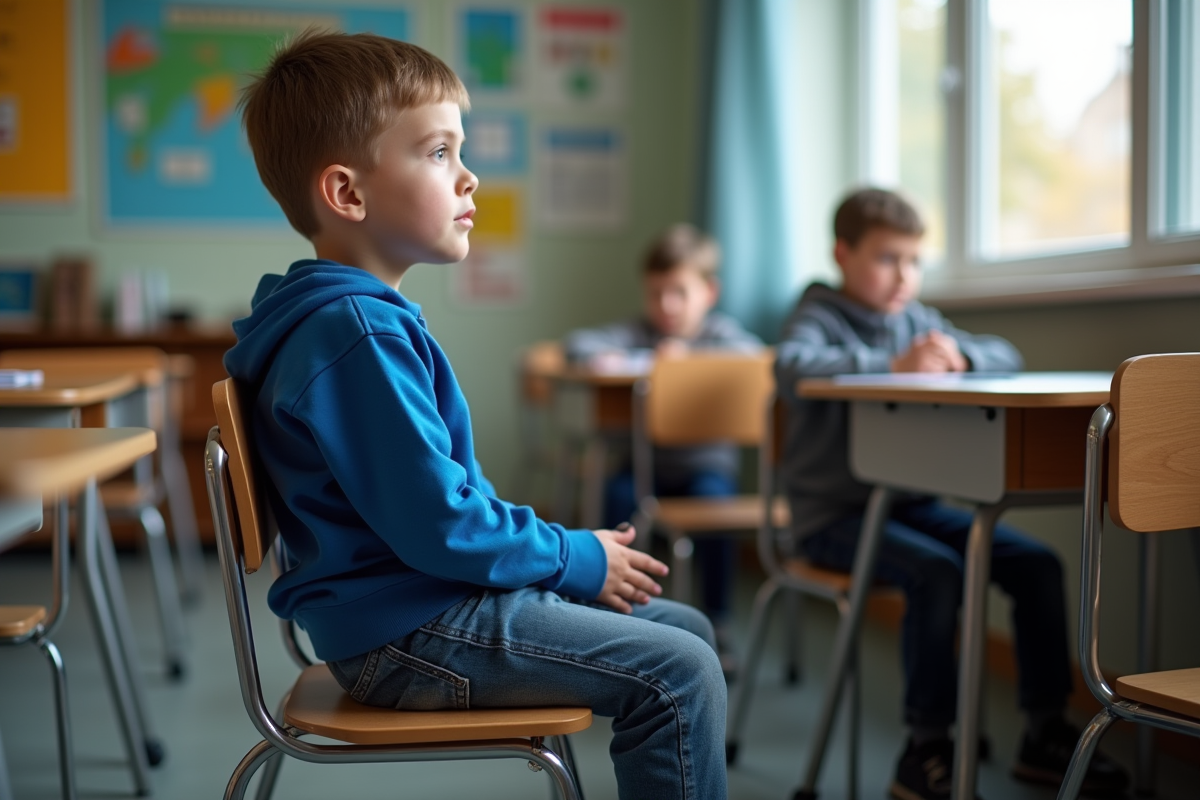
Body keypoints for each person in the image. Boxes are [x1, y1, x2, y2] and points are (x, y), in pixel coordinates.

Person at [223, 30, 726, 800]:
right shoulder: (354, 332)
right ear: (348, 194)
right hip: (410, 633)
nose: (469, 177)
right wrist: (574, 555)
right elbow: (444, 524)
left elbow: (444, 512)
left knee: (683, 631)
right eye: (438, 152)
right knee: (678, 669)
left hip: (418, 605)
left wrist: (561, 558)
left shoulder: (349, 320)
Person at [774, 188, 1128, 800]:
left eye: (913, 260)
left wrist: (959, 356)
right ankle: (926, 746)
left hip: (910, 505)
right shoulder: (816, 315)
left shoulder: (920, 319)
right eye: (888, 259)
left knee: (1037, 565)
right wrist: (894, 361)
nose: (903, 276)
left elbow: (1005, 353)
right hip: (830, 517)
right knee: (935, 574)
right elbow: (794, 367)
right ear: (842, 253)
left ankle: (1044, 732)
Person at [563, 225, 762, 666]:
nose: (666, 305)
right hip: (644, 469)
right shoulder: (638, 333)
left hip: (706, 471)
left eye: (679, 292)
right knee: (615, 499)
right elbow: (579, 344)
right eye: (656, 293)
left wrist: (689, 364)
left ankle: (720, 620)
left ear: (709, 291)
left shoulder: (722, 336)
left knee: (717, 511)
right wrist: (611, 357)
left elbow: (754, 359)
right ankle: (611, 612)